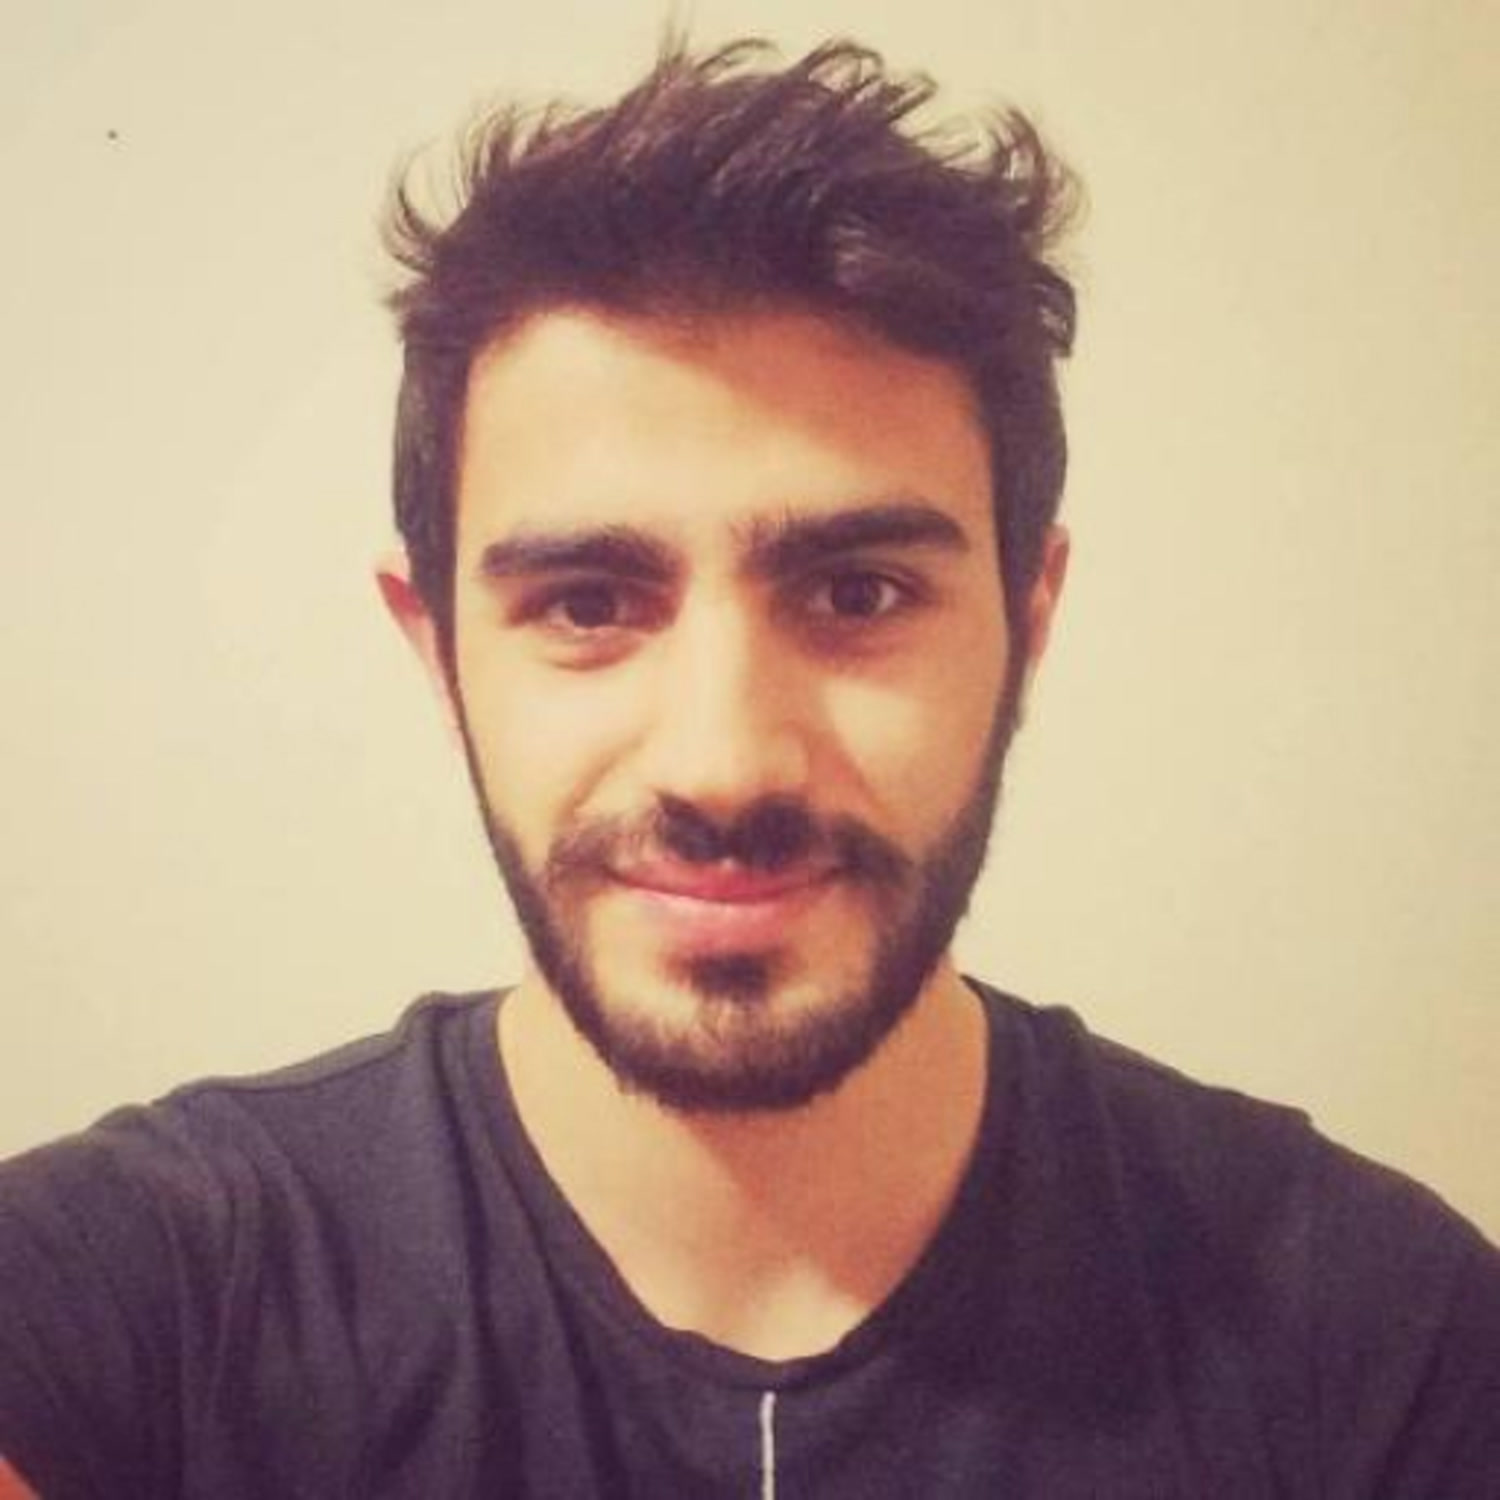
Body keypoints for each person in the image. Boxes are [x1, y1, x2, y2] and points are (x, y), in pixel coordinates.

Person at [1, 36, 1496, 1499]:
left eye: (858, 593)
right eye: (589, 603)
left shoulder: (1385, 1341)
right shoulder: (134, 1304)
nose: (723, 763)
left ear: (1028, 623)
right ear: (439, 651)